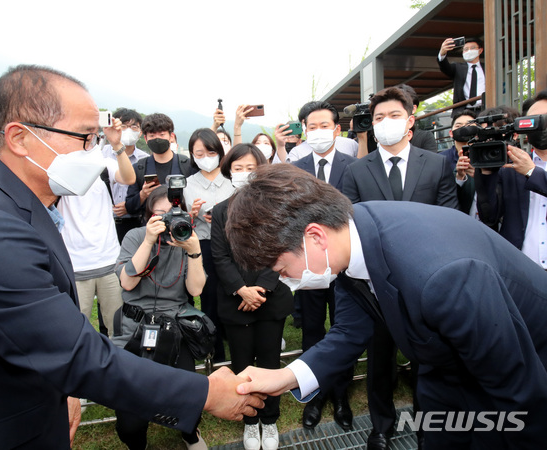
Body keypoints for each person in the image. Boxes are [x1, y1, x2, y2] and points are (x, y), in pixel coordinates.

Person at [0, 64, 263, 449]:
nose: (95, 153)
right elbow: (76, 352)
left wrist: (63, 389)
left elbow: (38, 341)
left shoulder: (16, 207)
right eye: (86, 138)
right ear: (20, 138)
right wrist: (205, 393)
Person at [226, 163, 547, 450]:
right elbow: (350, 332)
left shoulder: (445, 276)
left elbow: (519, 394)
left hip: (518, 367)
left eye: (282, 270)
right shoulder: (350, 237)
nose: (285, 281)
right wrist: (285, 377)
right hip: (444, 368)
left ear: (314, 236)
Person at [342, 86, 458, 450]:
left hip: (427, 282)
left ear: (410, 121)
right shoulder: (357, 170)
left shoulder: (437, 163)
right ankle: (381, 426)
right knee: (380, 357)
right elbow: (352, 227)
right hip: (378, 283)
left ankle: (427, 428)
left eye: (393, 116)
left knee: (430, 360)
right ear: (371, 126)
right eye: (378, 118)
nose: (385, 123)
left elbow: (449, 218)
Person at [212, 144, 293, 450]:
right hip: (236, 300)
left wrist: (260, 288)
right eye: (238, 168)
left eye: (250, 168)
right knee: (242, 363)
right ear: (228, 170)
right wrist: (241, 289)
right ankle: (250, 422)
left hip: (269, 298)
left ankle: (270, 421)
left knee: (270, 362)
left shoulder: (276, 207)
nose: (244, 174)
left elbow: (282, 250)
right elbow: (219, 257)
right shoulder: (220, 211)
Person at [112, 186, 207, 450]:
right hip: (133, 327)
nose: (167, 221)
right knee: (130, 422)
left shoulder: (185, 238)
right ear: (149, 216)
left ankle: (190, 433)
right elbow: (128, 282)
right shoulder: (135, 236)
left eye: (173, 213)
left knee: (189, 397)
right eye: (160, 214)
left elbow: (196, 290)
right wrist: (148, 242)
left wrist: (194, 251)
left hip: (174, 328)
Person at [291, 101, 356, 432]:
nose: (316, 131)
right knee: (314, 331)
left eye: (323, 125)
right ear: (304, 130)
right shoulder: (296, 168)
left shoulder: (354, 166)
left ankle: (341, 395)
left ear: (336, 129)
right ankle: (314, 394)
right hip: (309, 266)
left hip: (346, 266)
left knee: (344, 328)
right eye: (310, 126)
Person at [56, 116, 136, 337]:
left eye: (91, 132)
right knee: (74, 329)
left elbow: (129, 178)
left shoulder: (103, 163)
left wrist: (117, 144)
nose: (87, 137)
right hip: (74, 264)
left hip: (108, 260)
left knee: (117, 326)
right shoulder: (57, 165)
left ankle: (117, 368)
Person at [475, 90, 547, 269]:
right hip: (521, 270)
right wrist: (486, 173)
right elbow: (489, 215)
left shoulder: (524, 167)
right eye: (534, 120)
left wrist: (531, 172)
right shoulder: (512, 166)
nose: (540, 126)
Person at [184, 128, 235, 362]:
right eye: (199, 153)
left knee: (234, 294)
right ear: (192, 155)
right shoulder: (186, 184)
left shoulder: (233, 177)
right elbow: (181, 222)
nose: (206, 157)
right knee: (210, 300)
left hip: (234, 246)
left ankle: (237, 347)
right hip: (204, 246)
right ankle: (216, 356)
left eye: (211, 151)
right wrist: (192, 215)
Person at [125, 113, 195, 219]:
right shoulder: (138, 168)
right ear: (146, 138)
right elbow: (129, 207)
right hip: (150, 227)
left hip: (180, 225)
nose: (157, 139)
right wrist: (143, 194)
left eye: (162, 135)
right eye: (152, 136)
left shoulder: (187, 165)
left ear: (171, 136)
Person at [101, 107, 149, 244]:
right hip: (106, 221)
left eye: (134, 127)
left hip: (135, 221)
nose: (128, 130)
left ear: (140, 133)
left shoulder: (144, 159)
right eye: (123, 126)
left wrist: (129, 205)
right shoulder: (101, 154)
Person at [278, 101, 359, 163]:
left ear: (337, 129)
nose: (318, 130)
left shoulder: (350, 146)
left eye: (324, 126)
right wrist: (280, 146)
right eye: (312, 127)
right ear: (306, 130)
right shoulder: (297, 153)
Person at [439, 110, 478, 216]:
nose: (464, 129)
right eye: (459, 126)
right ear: (451, 133)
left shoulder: (486, 157)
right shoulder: (440, 160)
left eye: (468, 125)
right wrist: (459, 177)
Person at [438, 37, 485, 117]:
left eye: (472, 48)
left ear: (480, 50)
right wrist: (442, 53)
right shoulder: (458, 67)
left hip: (483, 110)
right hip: (463, 111)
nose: (469, 51)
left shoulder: (487, 68)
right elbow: (445, 67)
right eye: (466, 49)